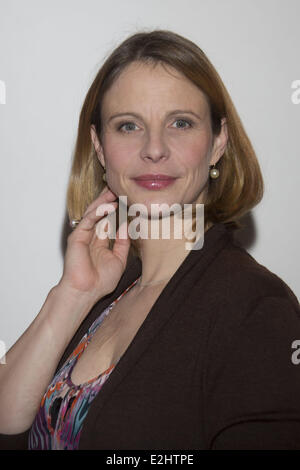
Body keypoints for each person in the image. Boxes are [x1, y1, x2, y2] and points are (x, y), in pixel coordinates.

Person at [0, 29, 300, 451]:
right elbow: (6, 423)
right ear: (100, 149)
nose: (154, 149)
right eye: (128, 126)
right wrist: (71, 295)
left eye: (180, 123)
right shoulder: (109, 292)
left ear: (217, 142)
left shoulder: (256, 307)